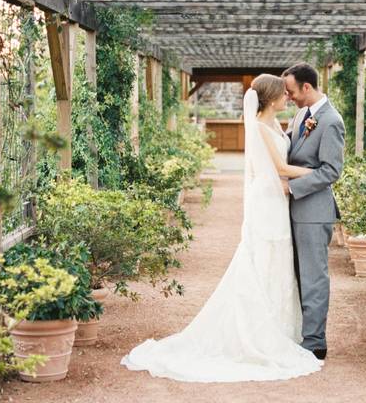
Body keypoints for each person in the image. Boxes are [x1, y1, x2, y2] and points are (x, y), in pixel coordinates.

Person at [120, 74, 323, 382]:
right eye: (284, 94)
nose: (288, 98)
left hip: (277, 200)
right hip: (267, 202)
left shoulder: (277, 125)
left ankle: (279, 329)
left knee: (278, 261)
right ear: (271, 98)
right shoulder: (259, 127)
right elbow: (280, 169)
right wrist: (318, 172)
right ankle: (259, 333)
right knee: (264, 258)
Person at [281, 63, 346, 361]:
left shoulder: (331, 121)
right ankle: (302, 333)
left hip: (313, 211)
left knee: (313, 277)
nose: (289, 97)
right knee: (296, 274)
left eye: (292, 91)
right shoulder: (301, 115)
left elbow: (332, 170)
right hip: (295, 210)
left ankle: (316, 342)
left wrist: (293, 187)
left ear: (307, 87)